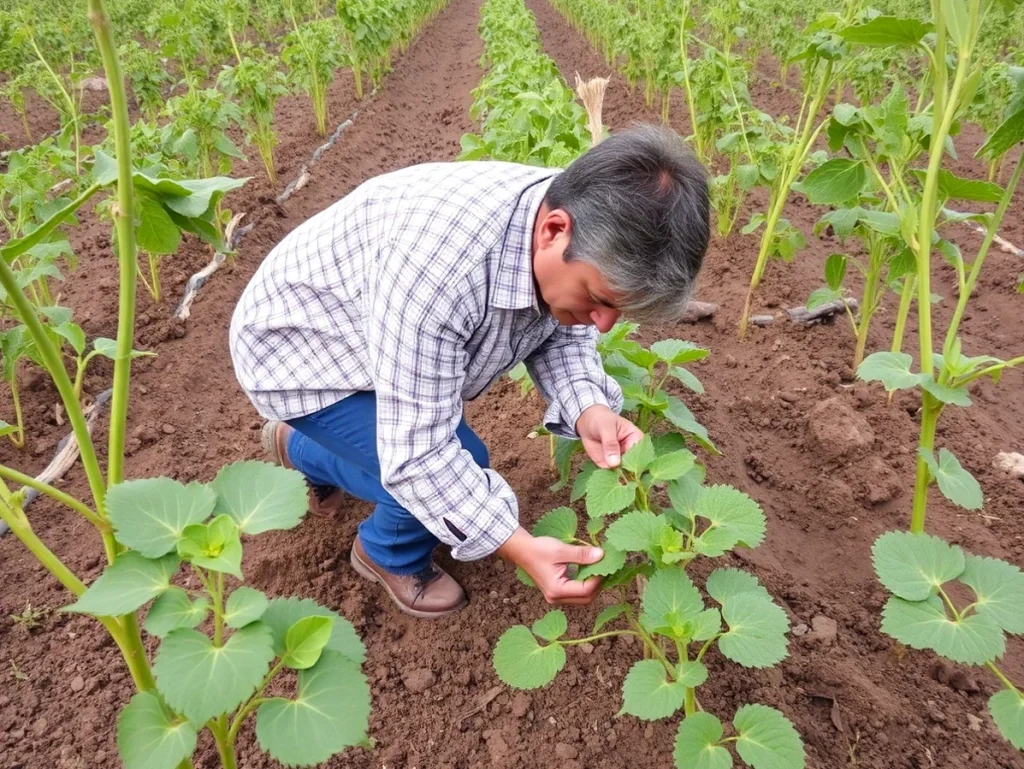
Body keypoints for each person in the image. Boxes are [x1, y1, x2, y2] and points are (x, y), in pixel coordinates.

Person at [229, 124, 710, 618]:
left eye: (619, 311)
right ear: (553, 231)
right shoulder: (442, 272)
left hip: (367, 325)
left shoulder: (580, 220)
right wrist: (516, 544)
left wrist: (589, 407)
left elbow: (561, 331)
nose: (604, 323)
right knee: (460, 458)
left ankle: (299, 446)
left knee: (422, 451)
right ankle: (386, 552)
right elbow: (418, 456)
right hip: (301, 350)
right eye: (599, 300)